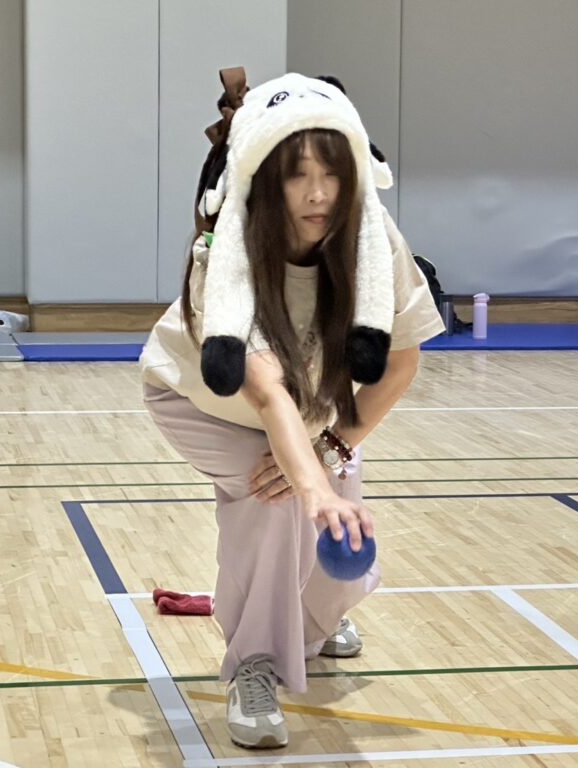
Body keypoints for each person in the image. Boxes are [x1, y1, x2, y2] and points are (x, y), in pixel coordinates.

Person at [139, 70, 444, 750]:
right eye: (297, 175)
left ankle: (317, 617)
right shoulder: (227, 250)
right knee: (273, 497)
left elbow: (401, 360)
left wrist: (334, 448)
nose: (317, 194)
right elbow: (266, 390)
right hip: (204, 402)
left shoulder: (375, 239)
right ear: (265, 181)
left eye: (331, 174)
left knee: (334, 526)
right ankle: (256, 664)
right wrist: (310, 480)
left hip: (308, 412)